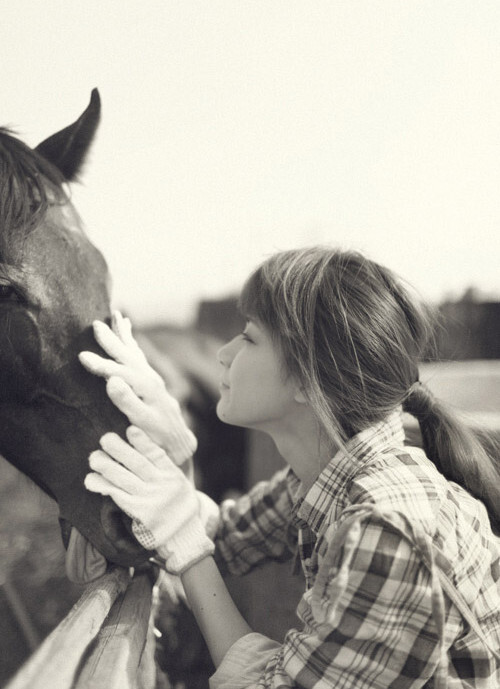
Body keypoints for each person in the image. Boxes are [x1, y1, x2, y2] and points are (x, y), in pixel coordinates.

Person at [79, 247, 500, 688]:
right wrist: (173, 445)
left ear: (307, 378)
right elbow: (223, 537)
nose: (223, 353)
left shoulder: (386, 531)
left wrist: (183, 541)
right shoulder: (328, 473)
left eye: (249, 337)